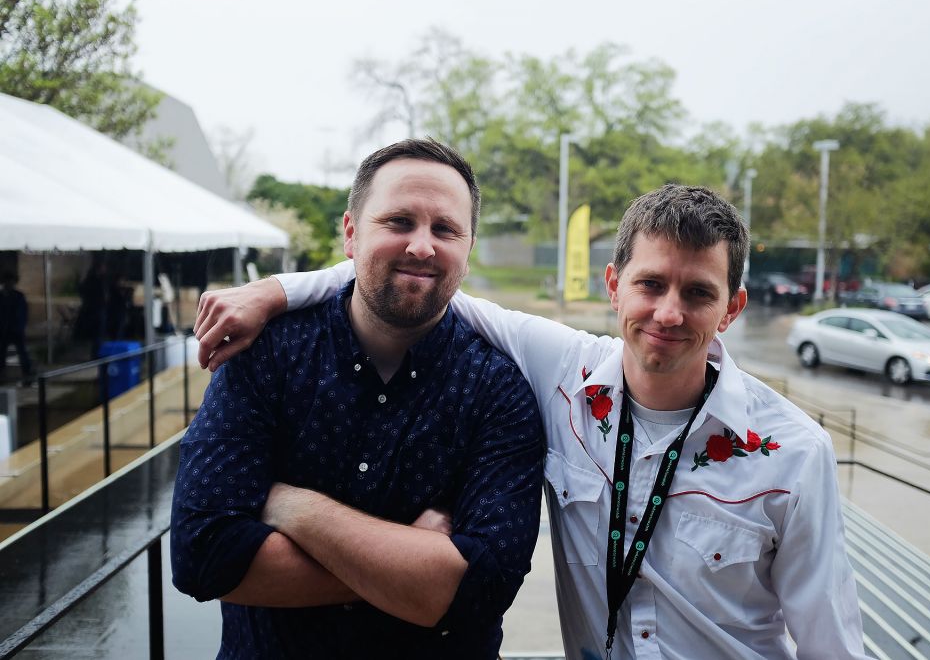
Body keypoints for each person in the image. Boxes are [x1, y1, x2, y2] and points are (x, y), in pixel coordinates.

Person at [196, 185, 868, 659]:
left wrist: (291, 505)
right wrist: (276, 290)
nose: (669, 312)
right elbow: (416, 272)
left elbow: (830, 644)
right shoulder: (564, 373)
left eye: (698, 293)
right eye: (651, 284)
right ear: (613, 285)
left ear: (733, 307)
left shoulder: (794, 451)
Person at [171, 138, 545, 659]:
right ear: (351, 233)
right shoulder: (267, 356)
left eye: (445, 229)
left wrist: (292, 507)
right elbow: (202, 557)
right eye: (398, 222)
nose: (421, 245)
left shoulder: (500, 391)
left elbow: (478, 590)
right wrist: (413, 561)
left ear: (469, 246)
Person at [0, 272, 33, 385]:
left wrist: (19, 326)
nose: (8, 284)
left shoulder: (18, 296)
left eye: (11, 282)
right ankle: (3, 374)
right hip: (4, 329)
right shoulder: (3, 296)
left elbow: (22, 313)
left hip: (15, 329)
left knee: (22, 352)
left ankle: (27, 374)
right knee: (2, 353)